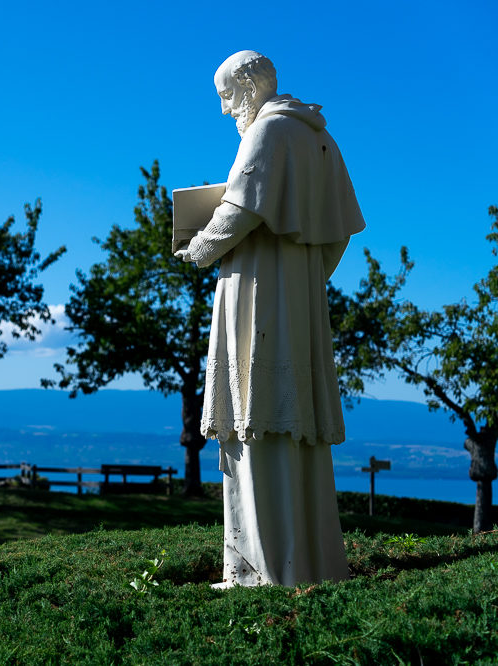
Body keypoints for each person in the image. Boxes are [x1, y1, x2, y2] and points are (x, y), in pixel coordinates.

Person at [175, 50, 365, 587]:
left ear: (248, 86)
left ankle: (263, 572)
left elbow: (239, 211)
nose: (224, 110)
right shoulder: (317, 137)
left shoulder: (269, 132)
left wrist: (199, 250)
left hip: (255, 293)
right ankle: (309, 564)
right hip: (295, 299)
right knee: (291, 430)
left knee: (255, 422)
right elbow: (340, 230)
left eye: (225, 97)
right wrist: (305, 279)